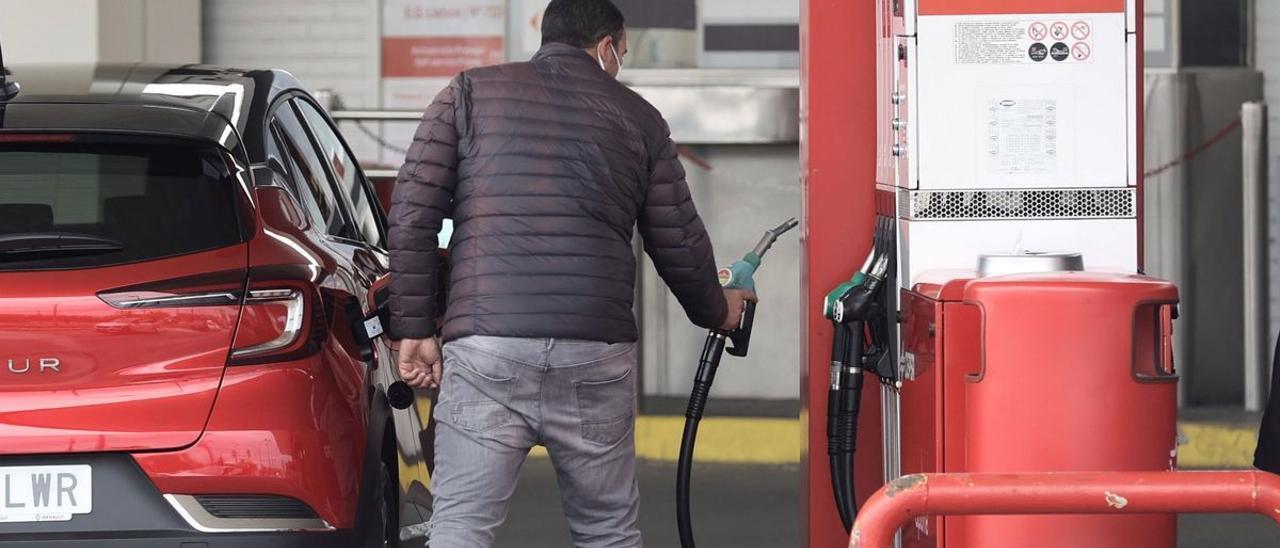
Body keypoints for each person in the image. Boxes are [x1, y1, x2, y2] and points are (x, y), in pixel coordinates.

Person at [387, 0, 756, 546]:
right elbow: (677, 242)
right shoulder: (640, 119)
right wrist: (720, 310)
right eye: (623, 52)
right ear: (607, 45)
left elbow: (412, 216)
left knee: (461, 527)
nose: (621, 63)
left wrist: (414, 328)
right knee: (607, 530)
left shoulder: (467, 94)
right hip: (594, 354)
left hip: (488, 347)